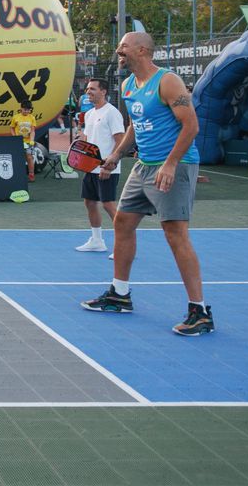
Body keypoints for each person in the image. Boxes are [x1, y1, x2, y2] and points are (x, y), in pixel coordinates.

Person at [81, 31, 213, 336]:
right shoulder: (128, 85)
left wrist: (171, 163)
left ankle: (200, 311)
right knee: (123, 222)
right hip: (144, 166)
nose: (119, 52)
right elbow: (133, 126)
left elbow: (190, 125)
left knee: (175, 233)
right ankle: (119, 294)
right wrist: (115, 154)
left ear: (142, 50)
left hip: (174, 166)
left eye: (124, 47)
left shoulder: (167, 82)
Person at [75, 78, 125, 254]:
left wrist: (109, 165)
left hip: (107, 168)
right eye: (87, 89)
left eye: (92, 89)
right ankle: (97, 241)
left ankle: (123, 245)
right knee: (89, 202)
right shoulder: (89, 114)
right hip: (91, 167)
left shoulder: (112, 113)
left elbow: (120, 141)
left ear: (103, 92)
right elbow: (87, 141)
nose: (88, 92)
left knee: (108, 204)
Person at [10, 100, 37, 182]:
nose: (27, 111)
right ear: (21, 108)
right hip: (18, 142)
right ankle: (18, 175)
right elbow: (12, 128)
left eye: (28, 110)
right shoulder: (15, 117)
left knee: (29, 158)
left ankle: (31, 174)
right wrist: (15, 138)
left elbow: (32, 130)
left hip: (28, 142)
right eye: (25, 109)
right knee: (18, 158)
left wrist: (32, 140)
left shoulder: (32, 117)